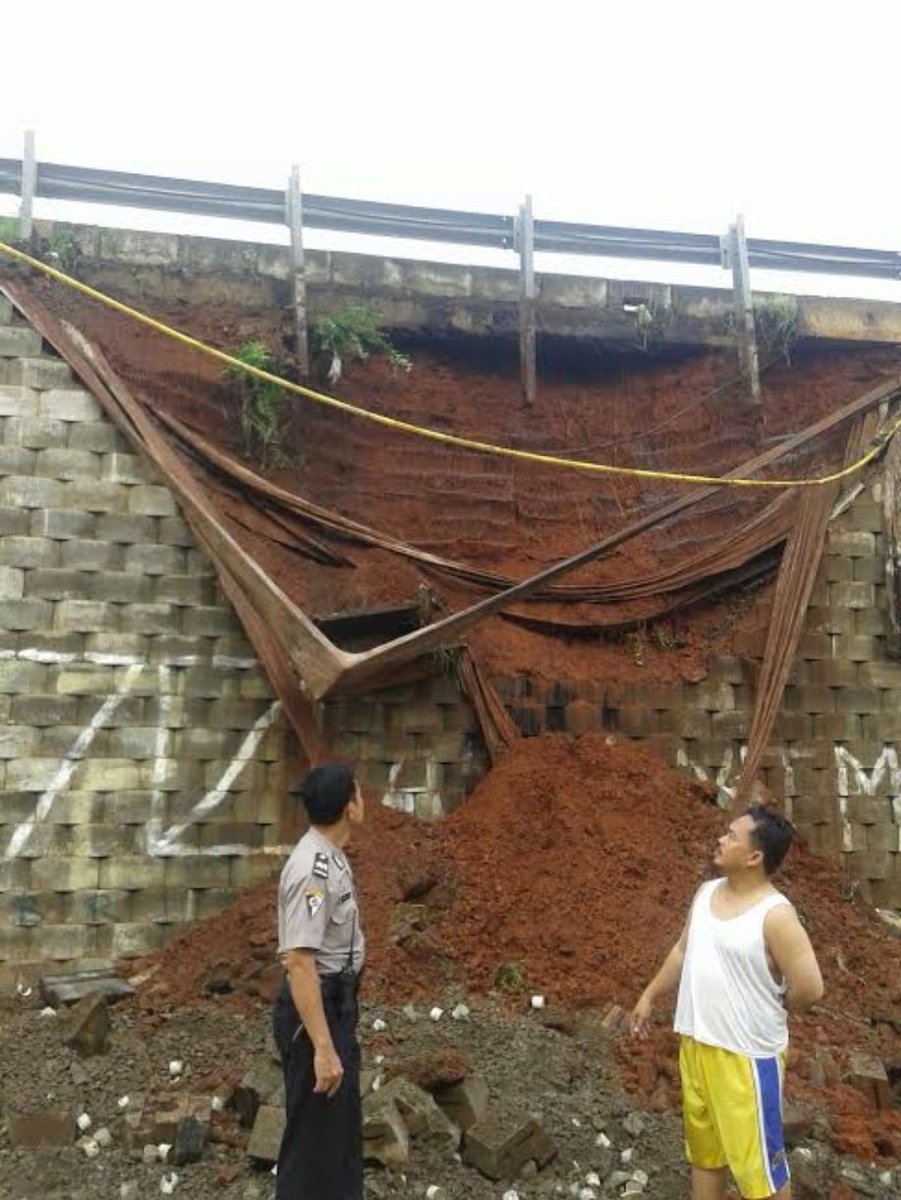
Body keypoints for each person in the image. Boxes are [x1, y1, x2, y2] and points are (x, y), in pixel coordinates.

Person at [630, 805, 824, 1200]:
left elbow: (810, 987)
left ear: (755, 857)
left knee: (761, 1175)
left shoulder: (776, 916)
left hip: (746, 1059)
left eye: (732, 836)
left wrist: (776, 1005)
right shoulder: (705, 893)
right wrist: (649, 995)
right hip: (697, 1046)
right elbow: (684, 950)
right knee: (706, 1156)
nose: (721, 839)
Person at [272, 762, 366, 1200]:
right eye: (359, 793)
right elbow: (300, 962)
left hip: (335, 1006)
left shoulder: (331, 857)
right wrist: (324, 1049)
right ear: (350, 806)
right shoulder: (313, 870)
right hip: (317, 1013)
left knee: (336, 1135)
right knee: (313, 1143)